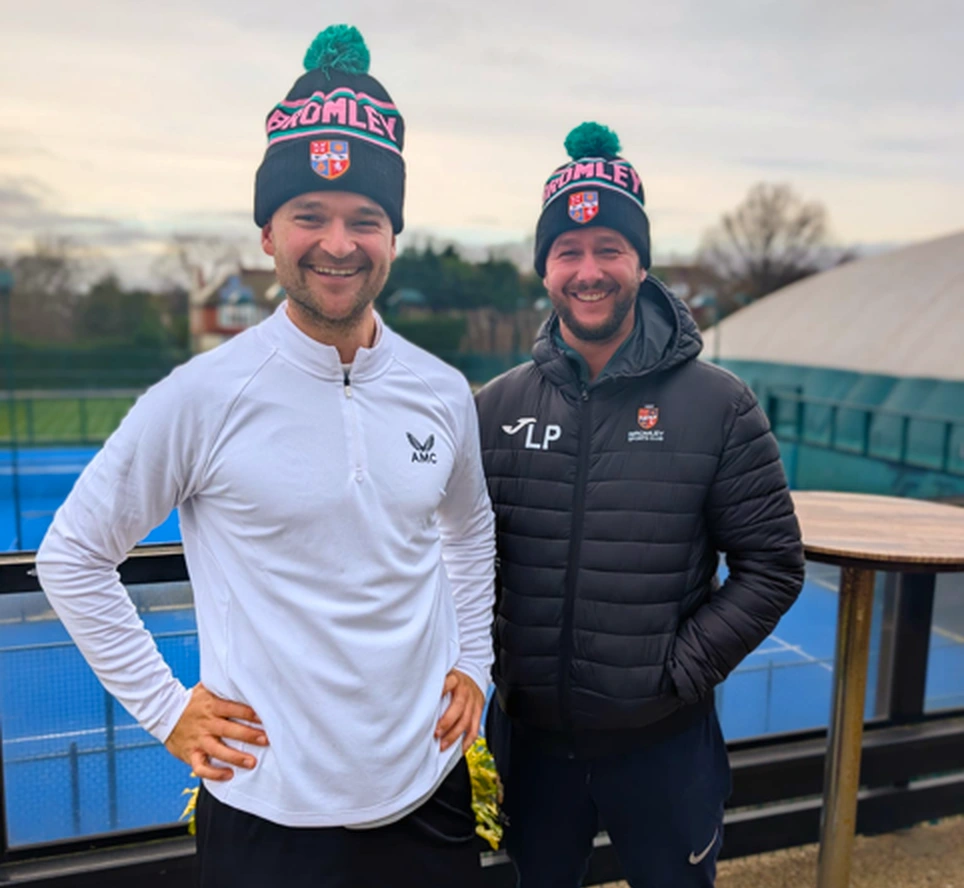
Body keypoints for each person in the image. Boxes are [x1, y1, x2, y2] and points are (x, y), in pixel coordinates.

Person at [36, 25, 495, 888]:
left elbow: (469, 529)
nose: (338, 243)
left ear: (393, 237)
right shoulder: (200, 396)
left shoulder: (441, 390)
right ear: (268, 234)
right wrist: (167, 710)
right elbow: (72, 556)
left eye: (365, 219)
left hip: (428, 797)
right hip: (267, 817)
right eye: (309, 215)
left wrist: (476, 660)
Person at [475, 122, 805, 887]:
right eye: (568, 251)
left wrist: (676, 672)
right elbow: (456, 560)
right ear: (545, 268)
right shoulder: (494, 407)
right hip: (529, 744)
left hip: (665, 745)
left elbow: (773, 565)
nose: (589, 272)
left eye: (610, 249)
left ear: (641, 261)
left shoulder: (719, 405)